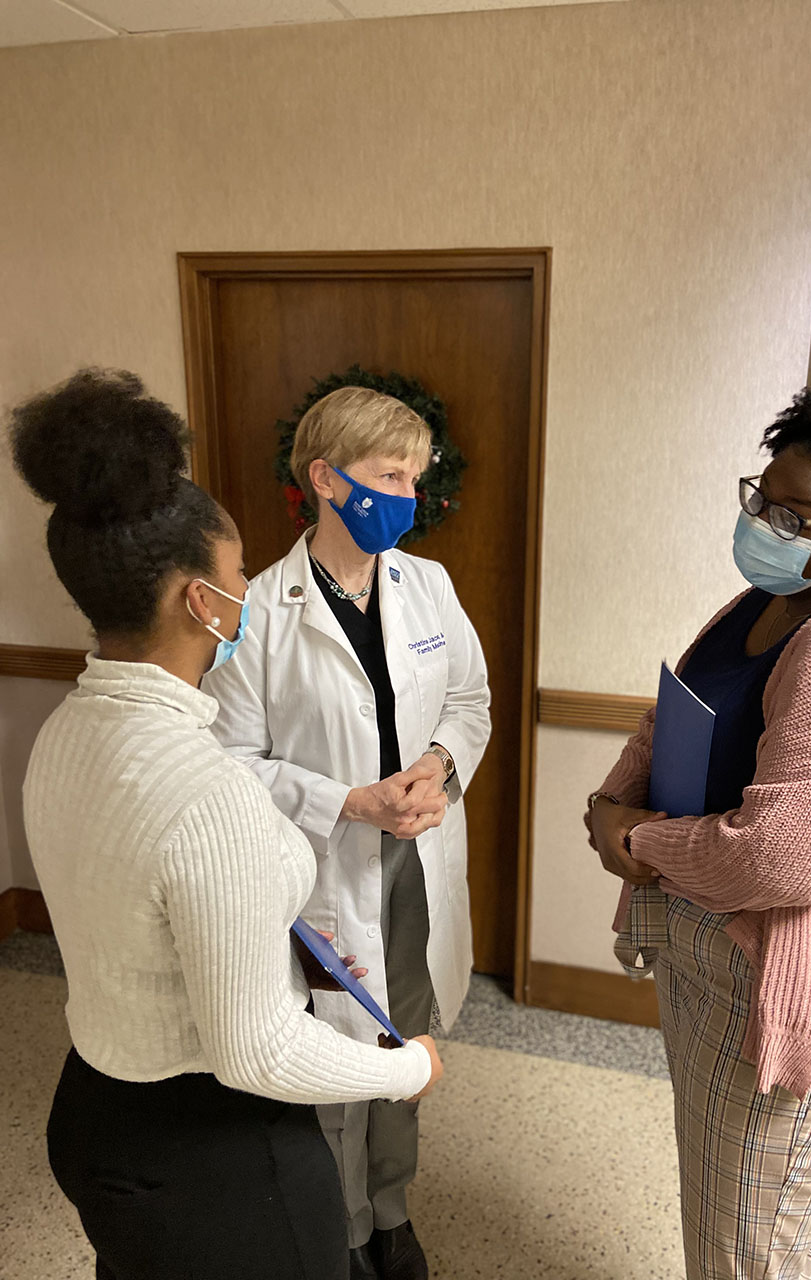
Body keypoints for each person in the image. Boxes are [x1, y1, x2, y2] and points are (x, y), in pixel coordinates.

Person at [10, 369, 443, 1280]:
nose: (248, 584)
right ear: (202, 604)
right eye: (236, 572)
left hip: (96, 1110)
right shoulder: (209, 796)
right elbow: (258, 1052)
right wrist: (411, 1072)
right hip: (213, 1156)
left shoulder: (65, 733)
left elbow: (148, 903)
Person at [586, 382, 811, 1280]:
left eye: (795, 515)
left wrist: (637, 844)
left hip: (800, 990)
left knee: (752, 1245)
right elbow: (674, 713)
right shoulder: (763, 602)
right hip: (714, 964)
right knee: (720, 1214)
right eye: (761, 497)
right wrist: (611, 803)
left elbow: (786, 856)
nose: (765, 523)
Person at [203, 386, 491, 1280]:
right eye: (389, 475)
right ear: (327, 478)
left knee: (403, 1043)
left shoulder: (427, 584)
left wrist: (437, 767)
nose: (408, 494)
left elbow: (469, 702)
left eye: (415, 474)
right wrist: (348, 802)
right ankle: (342, 1225)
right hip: (320, 869)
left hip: (417, 859)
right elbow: (230, 757)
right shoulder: (259, 612)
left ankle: (392, 1213)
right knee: (333, 1047)